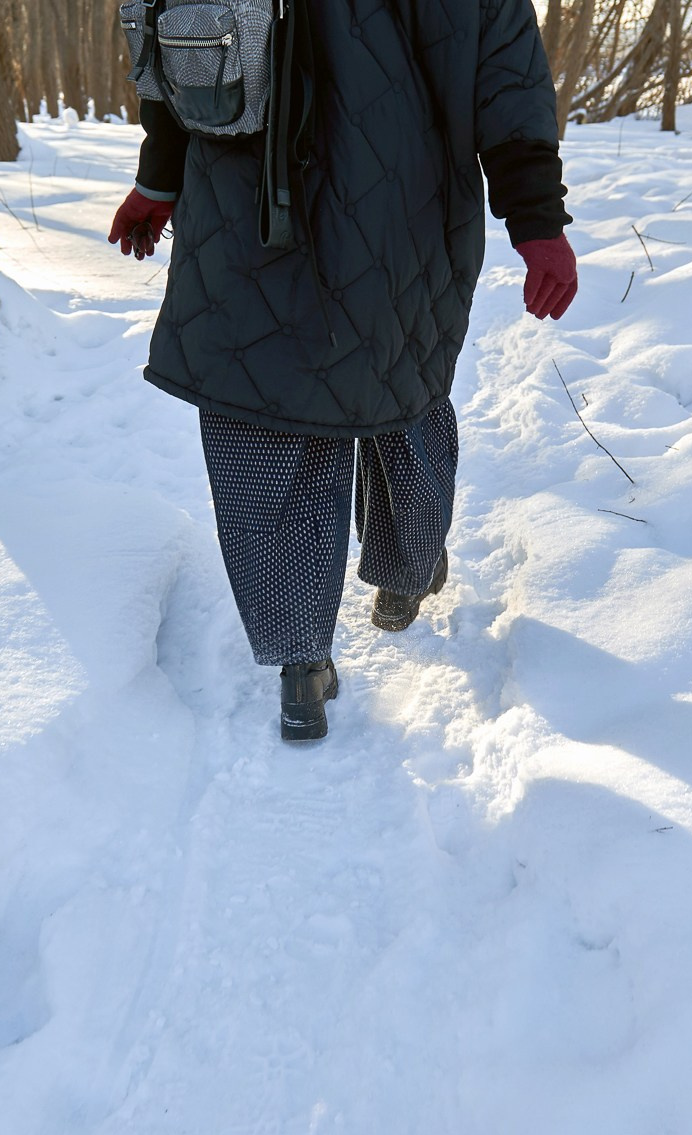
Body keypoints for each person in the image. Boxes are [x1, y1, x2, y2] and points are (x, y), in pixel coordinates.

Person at [108, 0, 577, 742]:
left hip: (244, 201)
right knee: (401, 397)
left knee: (265, 417)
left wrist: (160, 179)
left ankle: (302, 666)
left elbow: (185, 39)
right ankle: (407, 571)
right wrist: (537, 219)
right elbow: (505, 69)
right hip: (404, 209)